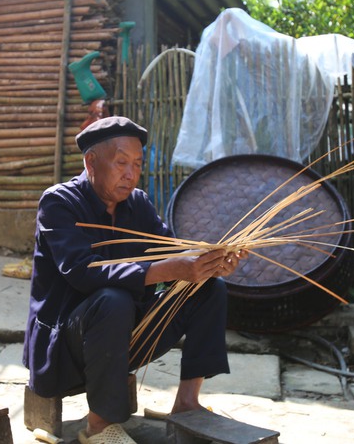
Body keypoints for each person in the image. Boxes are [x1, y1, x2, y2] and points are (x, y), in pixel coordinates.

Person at [23, 116, 244, 443]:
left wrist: (209, 264)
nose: (131, 173)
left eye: (137, 164)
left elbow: (170, 253)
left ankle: (186, 403)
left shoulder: (136, 203)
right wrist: (170, 269)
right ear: (91, 162)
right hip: (64, 348)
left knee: (208, 288)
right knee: (113, 299)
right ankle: (99, 426)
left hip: (125, 337)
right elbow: (84, 272)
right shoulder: (59, 203)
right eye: (121, 163)